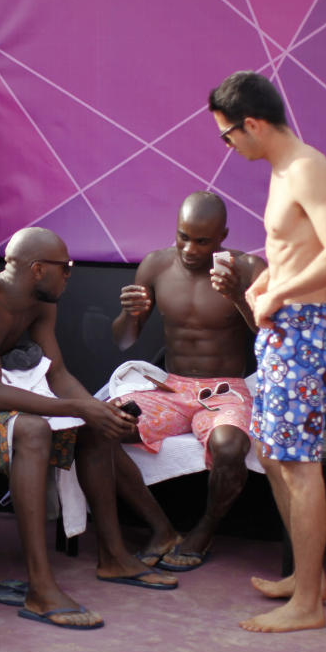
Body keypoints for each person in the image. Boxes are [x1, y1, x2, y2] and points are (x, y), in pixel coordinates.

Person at [0, 227, 177, 631]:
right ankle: (40, 588)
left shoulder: (41, 301)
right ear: (36, 269)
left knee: (94, 427)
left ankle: (115, 557)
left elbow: (58, 372)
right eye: (64, 267)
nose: (70, 274)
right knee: (31, 431)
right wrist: (79, 406)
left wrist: (96, 411)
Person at [208, 71, 326, 632]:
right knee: (273, 457)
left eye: (227, 135)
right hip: (282, 328)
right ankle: (308, 577)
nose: (227, 146)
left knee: (298, 464)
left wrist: (276, 290)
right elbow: (298, 249)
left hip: (303, 330)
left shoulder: (307, 167)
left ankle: (308, 607)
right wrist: (264, 281)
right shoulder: (281, 170)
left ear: (252, 124)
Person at [110, 191, 266, 570]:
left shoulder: (247, 268)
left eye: (202, 241)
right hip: (172, 389)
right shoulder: (155, 266)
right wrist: (130, 316)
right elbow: (123, 340)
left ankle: (204, 530)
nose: (190, 249)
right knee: (100, 426)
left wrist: (240, 299)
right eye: (183, 237)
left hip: (225, 389)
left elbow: (271, 337)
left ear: (223, 236)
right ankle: (161, 528)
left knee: (230, 448)